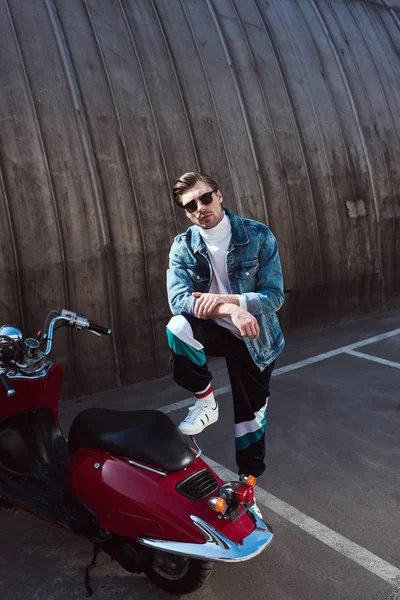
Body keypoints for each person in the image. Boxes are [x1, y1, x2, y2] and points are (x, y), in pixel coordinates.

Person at [166, 171, 284, 482]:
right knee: (178, 327)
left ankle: (248, 486)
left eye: (205, 198)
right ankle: (205, 401)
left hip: (254, 339)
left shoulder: (258, 236)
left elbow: (274, 297)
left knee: (251, 420)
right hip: (214, 330)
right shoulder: (183, 246)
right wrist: (230, 308)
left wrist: (233, 302)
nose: (200, 208)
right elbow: (178, 300)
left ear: (219, 195)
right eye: (190, 206)